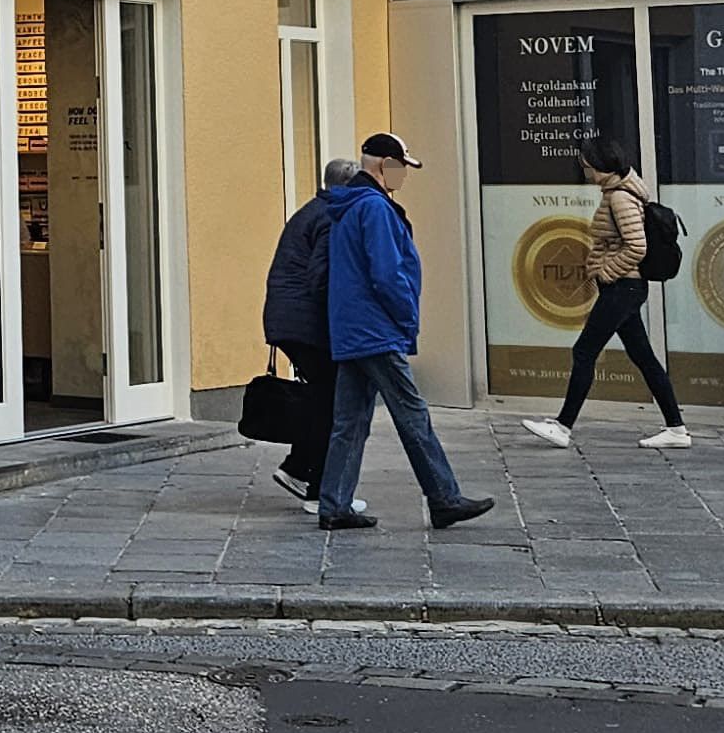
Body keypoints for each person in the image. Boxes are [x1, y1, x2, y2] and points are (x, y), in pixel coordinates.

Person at [316, 134, 493, 532]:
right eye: (400, 168)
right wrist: (406, 317)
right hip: (377, 329)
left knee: (351, 419)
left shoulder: (347, 207)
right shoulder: (375, 208)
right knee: (412, 414)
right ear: (382, 165)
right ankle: (444, 497)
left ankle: (334, 504)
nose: (404, 177)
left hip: (353, 327)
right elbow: (387, 273)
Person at [526, 135, 691, 450]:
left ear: (604, 166)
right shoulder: (621, 192)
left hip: (623, 287)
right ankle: (676, 428)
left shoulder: (619, 198)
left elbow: (637, 246)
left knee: (584, 351)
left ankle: (562, 426)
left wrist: (606, 272)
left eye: (589, 166)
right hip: (626, 288)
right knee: (643, 357)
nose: (586, 172)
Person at [258, 158, 364, 506]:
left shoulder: (314, 209)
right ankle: (311, 481)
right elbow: (322, 276)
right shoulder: (333, 217)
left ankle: (302, 470)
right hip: (305, 323)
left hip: (290, 319)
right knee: (333, 402)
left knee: (324, 398)